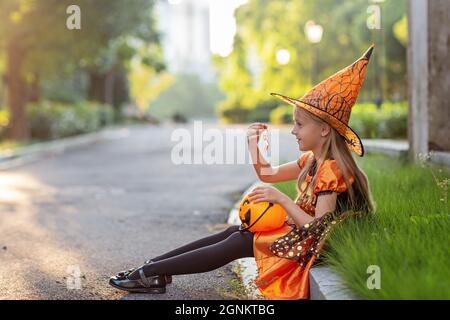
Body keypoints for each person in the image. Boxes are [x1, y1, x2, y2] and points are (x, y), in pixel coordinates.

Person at [109, 45, 376, 299]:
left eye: (299, 124)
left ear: (324, 130)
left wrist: (281, 199)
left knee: (239, 242)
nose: (293, 130)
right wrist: (253, 145)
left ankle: (150, 273)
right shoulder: (312, 160)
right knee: (235, 233)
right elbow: (267, 174)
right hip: (301, 236)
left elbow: (318, 227)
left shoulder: (332, 169)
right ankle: (152, 268)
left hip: (311, 246)